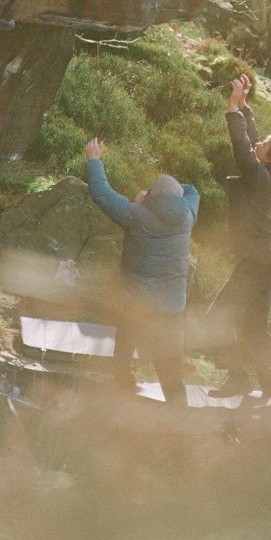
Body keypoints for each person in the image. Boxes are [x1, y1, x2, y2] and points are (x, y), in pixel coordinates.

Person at [84, 137, 199, 405]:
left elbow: (102, 194)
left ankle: (122, 385)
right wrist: (161, 197)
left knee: (125, 340)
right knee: (169, 360)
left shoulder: (136, 216)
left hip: (136, 302)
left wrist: (94, 162)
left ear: (152, 197)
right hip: (171, 307)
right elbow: (192, 190)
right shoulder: (188, 216)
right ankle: (178, 408)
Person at [207, 73, 271, 403]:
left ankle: (239, 378)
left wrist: (232, 110)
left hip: (257, 260)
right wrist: (245, 105)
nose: (257, 145)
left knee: (220, 316)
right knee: (256, 327)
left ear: (266, 159)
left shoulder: (258, 174)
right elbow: (256, 141)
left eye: (263, 148)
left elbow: (243, 147)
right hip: (266, 259)